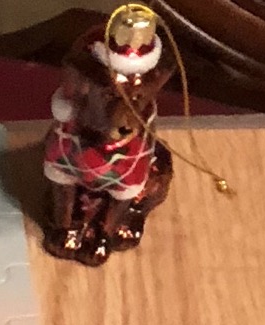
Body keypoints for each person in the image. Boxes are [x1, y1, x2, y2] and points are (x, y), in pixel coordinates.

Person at [42, 4, 176, 266]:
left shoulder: (135, 149)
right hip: (81, 152)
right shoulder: (67, 136)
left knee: (145, 181)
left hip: (123, 168)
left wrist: (104, 236)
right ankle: (66, 224)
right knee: (62, 179)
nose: (125, 113)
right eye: (110, 96)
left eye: (136, 98)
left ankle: (107, 230)